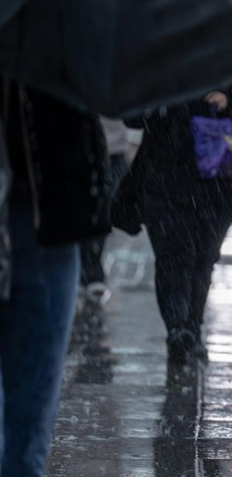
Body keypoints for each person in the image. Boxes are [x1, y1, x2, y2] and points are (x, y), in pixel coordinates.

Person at [1, 79, 111, 477]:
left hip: (45, 222)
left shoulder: (64, 26)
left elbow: (117, 99)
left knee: (28, 431)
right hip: (46, 219)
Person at [118, 82, 232, 364]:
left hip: (216, 186)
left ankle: (193, 327)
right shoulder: (161, 69)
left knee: (202, 260)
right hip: (164, 185)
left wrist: (227, 102)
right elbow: (132, 117)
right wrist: (161, 104)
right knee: (173, 260)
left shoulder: (223, 66)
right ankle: (177, 328)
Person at [79, 118, 132, 305]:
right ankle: (88, 269)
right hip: (84, 149)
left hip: (112, 151)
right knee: (86, 211)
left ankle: (91, 269)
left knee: (102, 212)